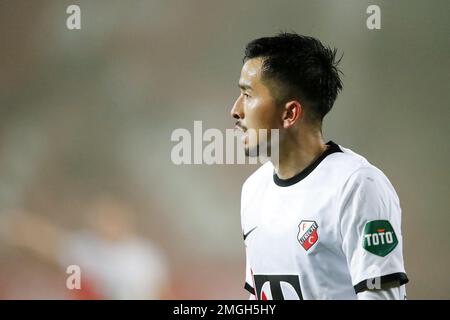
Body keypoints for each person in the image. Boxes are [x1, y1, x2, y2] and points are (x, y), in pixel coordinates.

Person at [230, 33, 408, 300]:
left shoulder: (357, 185)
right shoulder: (253, 189)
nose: (236, 110)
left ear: (290, 113)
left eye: (248, 94)